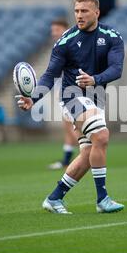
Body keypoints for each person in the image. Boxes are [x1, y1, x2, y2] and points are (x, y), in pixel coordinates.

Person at [16, 0, 125, 214]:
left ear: (97, 12)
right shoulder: (65, 41)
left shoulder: (112, 36)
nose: (79, 15)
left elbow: (116, 69)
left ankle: (54, 198)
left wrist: (96, 80)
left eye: (84, 11)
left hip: (96, 98)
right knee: (102, 136)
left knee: (88, 153)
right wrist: (33, 98)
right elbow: (49, 75)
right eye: (76, 11)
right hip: (71, 97)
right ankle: (102, 199)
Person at [47, 19, 79, 170]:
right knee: (68, 129)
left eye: (57, 29)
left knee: (74, 130)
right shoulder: (59, 46)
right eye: (52, 30)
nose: (54, 33)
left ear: (65, 30)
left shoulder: (68, 46)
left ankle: (88, 155)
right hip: (64, 93)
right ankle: (66, 160)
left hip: (71, 93)